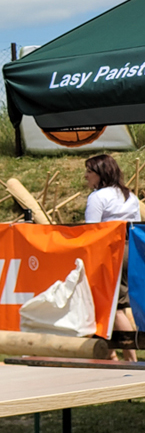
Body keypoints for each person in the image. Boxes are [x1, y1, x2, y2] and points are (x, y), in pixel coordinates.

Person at [84, 154, 140, 362]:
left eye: (90, 171)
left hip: (108, 252)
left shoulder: (98, 197)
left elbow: (92, 229)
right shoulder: (130, 196)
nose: (86, 176)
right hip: (129, 250)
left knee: (115, 307)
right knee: (113, 305)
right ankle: (110, 354)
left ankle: (130, 358)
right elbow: (136, 225)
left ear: (100, 174)